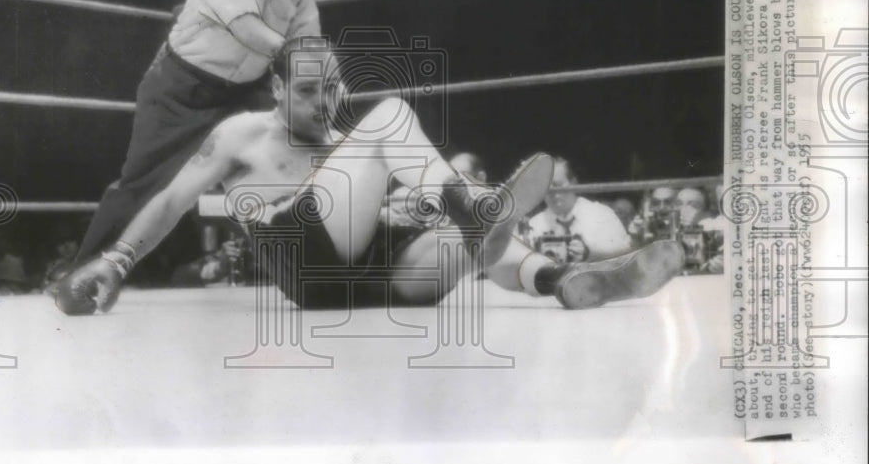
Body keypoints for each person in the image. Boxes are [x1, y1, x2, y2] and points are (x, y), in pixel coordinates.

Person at [56, 39, 685, 315]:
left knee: (459, 241)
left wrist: (407, 209)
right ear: (275, 88)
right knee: (392, 116)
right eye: (306, 90)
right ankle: (476, 213)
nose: (323, 103)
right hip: (304, 261)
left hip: (367, 279)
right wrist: (114, 261)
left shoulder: (343, 146)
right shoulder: (242, 134)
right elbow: (170, 200)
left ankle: (564, 279)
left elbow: (378, 215)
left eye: (331, 88)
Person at [74, 0, 321, 266]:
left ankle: (309, 267)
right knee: (143, 184)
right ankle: (81, 275)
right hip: (181, 87)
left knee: (282, 164)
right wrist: (305, 61)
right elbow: (251, 32)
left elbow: (308, 51)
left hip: (246, 91)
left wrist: (315, 90)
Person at [524, 158, 632, 263]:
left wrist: (590, 252)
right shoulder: (533, 226)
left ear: (573, 183)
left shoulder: (602, 215)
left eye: (558, 185)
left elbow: (626, 254)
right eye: (546, 187)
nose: (553, 193)